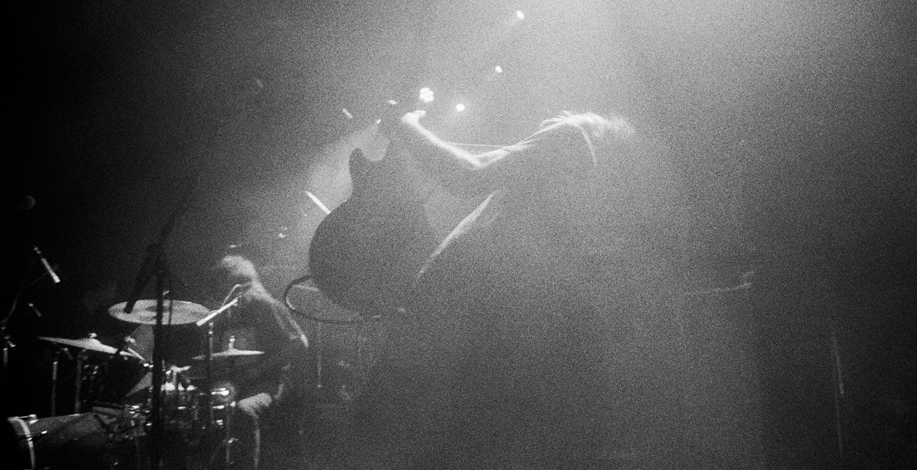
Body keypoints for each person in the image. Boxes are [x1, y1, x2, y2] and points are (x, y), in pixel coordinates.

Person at [350, 108, 635, 470]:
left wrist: (405, 124)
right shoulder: (586, 197)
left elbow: (467, 175)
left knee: (382, 437)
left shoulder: (570, 136)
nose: (542, 124)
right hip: (493, 336)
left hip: (456, 326)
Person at [209, 254, 310, 470]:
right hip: (237, 383)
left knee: (244, 410)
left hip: (271, 383)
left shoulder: (265, 306)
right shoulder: (225, 315)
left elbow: (299, 343)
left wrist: (257, 371)